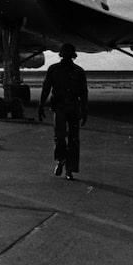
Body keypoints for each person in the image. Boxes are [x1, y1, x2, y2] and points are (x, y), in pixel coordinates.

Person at [38, 43, 88, 180]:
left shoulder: (79, 71)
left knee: (73, 139)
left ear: (72, 55)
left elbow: (84, 92)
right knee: (59, 137)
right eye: (64, 52)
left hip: (73, 107)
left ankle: (69, 170)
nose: (66, 54)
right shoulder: (53, 70)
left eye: (68, 52)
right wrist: (41, 105)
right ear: (61, 53)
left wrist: (84, 110)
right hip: (59, 107)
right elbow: (46, 88)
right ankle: (61, 160)